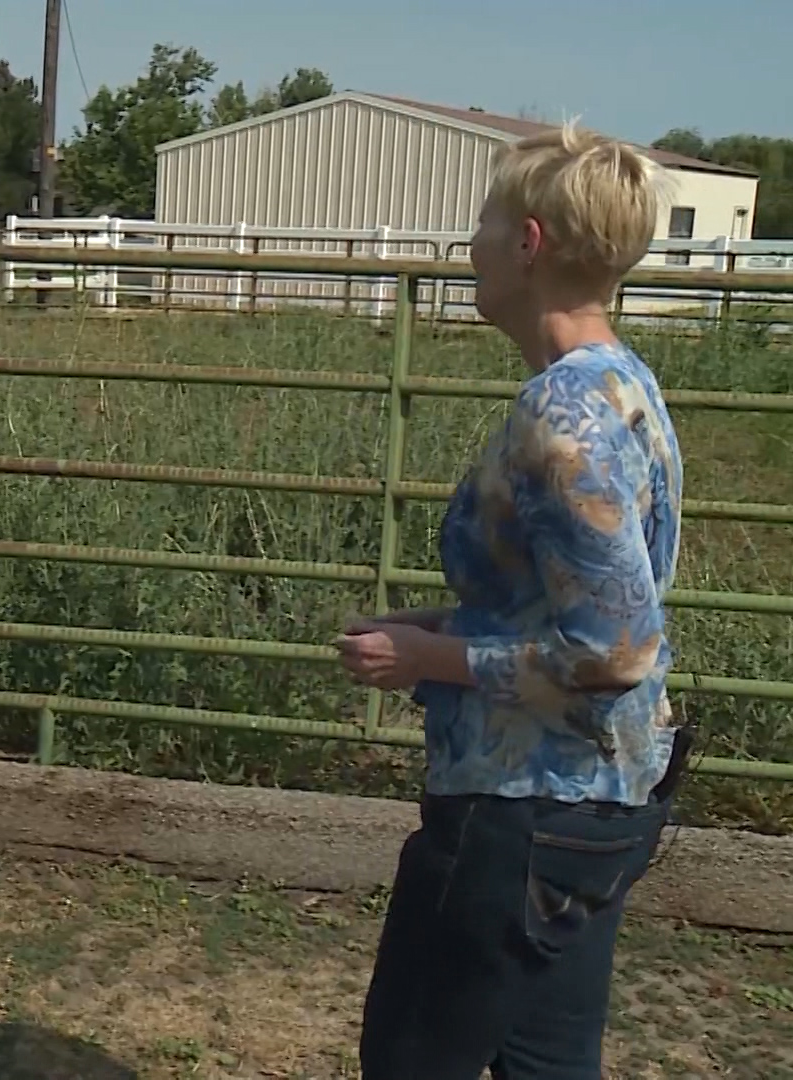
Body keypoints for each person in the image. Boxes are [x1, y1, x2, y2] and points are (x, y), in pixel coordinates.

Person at [334, 121, 693, 1078]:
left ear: (530, 244)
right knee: (545, 1065)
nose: (472, 246)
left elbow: (613, 652)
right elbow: (567, 610)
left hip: (521, 817)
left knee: (414, 1059)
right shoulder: (623, 386)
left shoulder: (563, 419)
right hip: (589, 809)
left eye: (486, 223)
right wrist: (441, 624)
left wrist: (426, 661)